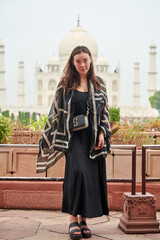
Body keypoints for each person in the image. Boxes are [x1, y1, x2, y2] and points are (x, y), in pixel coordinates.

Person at [36, 46, 111, 239]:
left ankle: (83, 220)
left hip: (92, 139)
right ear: (72, 62)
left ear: (91, 60)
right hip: (73, 138)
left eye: (85, 60)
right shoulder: (65, 84)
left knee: (88, 178)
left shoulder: (99, 84)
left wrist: (102, 132)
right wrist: (48, 137)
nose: (82, 65)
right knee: (77, 174)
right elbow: (55, 112)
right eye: (78, 61)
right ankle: (72, 219)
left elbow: (105, 112)